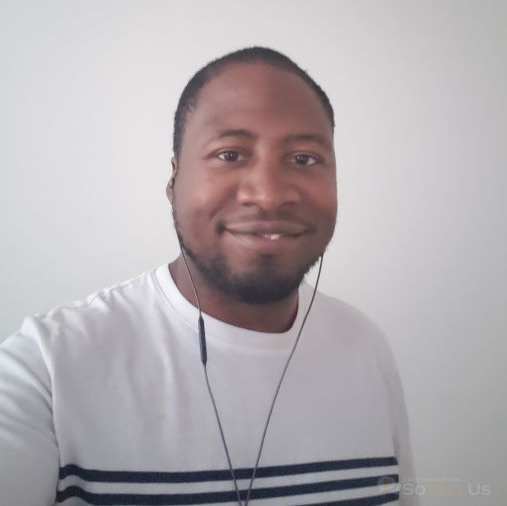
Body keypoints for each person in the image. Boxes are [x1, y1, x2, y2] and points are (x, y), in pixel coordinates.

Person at [0, 47, 419, 505]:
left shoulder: (366, 349)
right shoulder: (46, 368)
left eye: (303, 159)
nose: (268, 195)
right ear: (173, 180)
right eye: (230, 154)